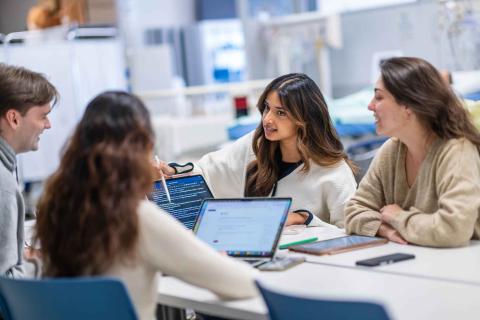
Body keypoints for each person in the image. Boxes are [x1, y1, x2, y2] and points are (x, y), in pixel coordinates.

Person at [34, 92, 257, 320]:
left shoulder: (54, 205)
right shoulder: (135, 217)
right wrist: (221, 260)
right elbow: (238, 283)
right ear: (144, 146)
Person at [160, 73, 357, 228]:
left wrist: (304, 219)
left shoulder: (334, 172)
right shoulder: (255, 147)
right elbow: (207, 170)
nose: (267, 119)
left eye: (280, 113)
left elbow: (350, 234)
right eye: (266, 108)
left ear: (304, 119)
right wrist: (170, 171)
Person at [345, 57, 480, 247]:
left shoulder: (457, 151)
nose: (370, 105)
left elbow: (453, 229)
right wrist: (384, 228)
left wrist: (398, 216)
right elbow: (353, 211)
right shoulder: (391, 151)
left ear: (408, 106)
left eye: (379, 97)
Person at [0, 63, 57, 278]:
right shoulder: (3, 185)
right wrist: (50, 263)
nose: (48, 125)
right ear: (14, 118)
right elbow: (6, 284)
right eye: (43, 116)